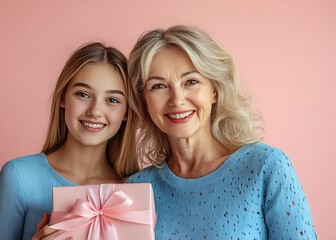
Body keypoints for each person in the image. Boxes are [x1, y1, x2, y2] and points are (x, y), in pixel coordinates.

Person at [125, 25, 317, 239]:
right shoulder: (134, 190)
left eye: (191, 81)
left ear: (214, 91)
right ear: (144, 101)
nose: (177, 99)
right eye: (159, 86)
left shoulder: (267, 167)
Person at [0, 42, 140, 240]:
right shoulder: (19, 177)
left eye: (112, 100)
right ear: (62, 98)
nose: (95, 111)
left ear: (126, 112)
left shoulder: (135, 190)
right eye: (83, 94)